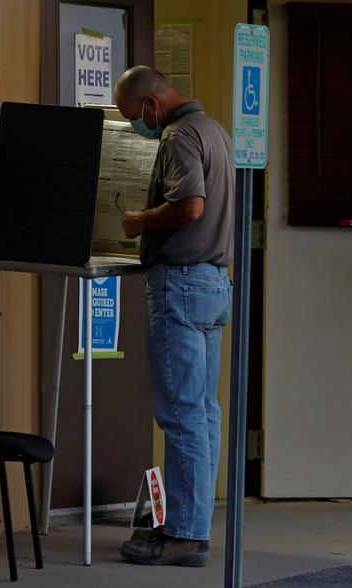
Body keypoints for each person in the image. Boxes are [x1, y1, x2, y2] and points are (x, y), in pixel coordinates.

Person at [114, 66, 234, 565]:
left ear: (150, 104)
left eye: (132, 116)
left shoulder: (179, 134)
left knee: (181, 414)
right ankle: (193, 525)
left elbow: (189, 205)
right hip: (213, 282)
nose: (137, 125)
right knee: (203, 413)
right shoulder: (216, 131)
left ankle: (184, 535)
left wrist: (139, 220)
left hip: (180, 283)